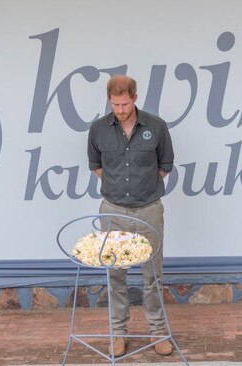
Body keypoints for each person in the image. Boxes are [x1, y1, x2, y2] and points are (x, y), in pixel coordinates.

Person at [87, 75, 175, 357]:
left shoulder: (157, 126)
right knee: (116, 275)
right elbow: (96, 165)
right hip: (113, 211)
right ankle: (118, 334)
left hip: (149, 209)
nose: (121, 109)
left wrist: (142, 190)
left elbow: (165, 165)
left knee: (153, 277)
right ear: (109, 100)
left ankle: (159, 333)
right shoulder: (98, 129)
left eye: (125, 104)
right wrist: (120, 193)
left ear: (135, 98)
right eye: (115, 104)